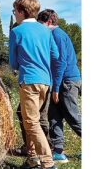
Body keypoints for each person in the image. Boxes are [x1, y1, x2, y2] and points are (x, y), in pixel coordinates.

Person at [9, 0, 59, 169]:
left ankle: (47, 162)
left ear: (22, 12)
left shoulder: (17, 31)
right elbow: (56, 55)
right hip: (46, 81)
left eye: (15, 10)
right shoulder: (46, 30)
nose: (14, 14)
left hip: (29, 80)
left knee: (31, 122)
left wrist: (21, 66)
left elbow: (13, 63)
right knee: (30, 119)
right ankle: (32, 159)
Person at [37, 9, 81, 163]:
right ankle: (59, 152)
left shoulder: (57, 35)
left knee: (72, 116)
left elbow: (60, 62)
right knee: (54, 117)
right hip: (61, 81)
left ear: (49, 22)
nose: (39, 27)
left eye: (40, 24)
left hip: (67, 82)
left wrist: (55, 88)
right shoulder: (54, 34)